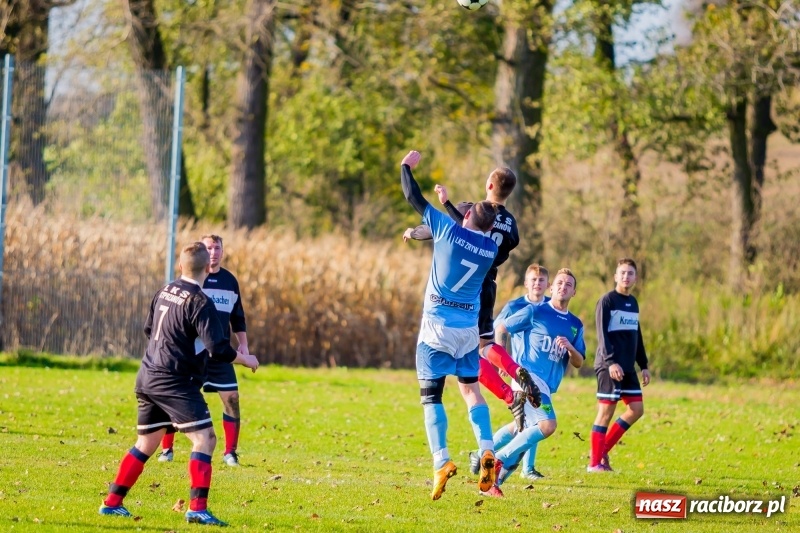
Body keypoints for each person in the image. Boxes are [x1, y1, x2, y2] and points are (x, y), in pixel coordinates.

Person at [98, 242, 260, 526]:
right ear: (206, 267)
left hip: (148, 375)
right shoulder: (199, 302)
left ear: (180, 266)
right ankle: (197, 508)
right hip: (175, 381)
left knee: (147, 442)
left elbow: (149, 329)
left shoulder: (165, 290)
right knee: (205, 439)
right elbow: (218, 349)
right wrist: (246, 360)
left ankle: (112, 503)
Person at [403, 170, 540, 432]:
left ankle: (510, 397)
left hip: (466, 291)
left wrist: (416, 229)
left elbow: (443, 230)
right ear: (509, 192)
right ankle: (515, 370)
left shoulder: (472, 211)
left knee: (471, 355)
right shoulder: (511, 225)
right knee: (486, 344)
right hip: (489, 284)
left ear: (488, 184)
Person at [400, 149, 500, 500]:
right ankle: (487, 449)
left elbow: (413, 196)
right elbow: (473, 225)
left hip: (437, 328)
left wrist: (406, 167)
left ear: (467, 214)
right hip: (468, 332)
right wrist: (453, 207)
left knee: (431, 396)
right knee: (471, 389)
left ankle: (441, 461)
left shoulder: (445, 230)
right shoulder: (489, 248)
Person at [484, 268, 586, 497]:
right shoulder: (535, 311)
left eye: (568, 285)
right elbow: (501, 328)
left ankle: (491, 482)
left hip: (546, 385)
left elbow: (579, 361)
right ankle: (496, 459)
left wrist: (570, 348)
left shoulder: (575, 325)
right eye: (559, 283)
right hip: (527, 378)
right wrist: (503, 363)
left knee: (523, 430)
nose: (563, 287)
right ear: (552, 288)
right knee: (547, 425)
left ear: (574, 292)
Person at [158, 234, 249, 467]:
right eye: (209, 247)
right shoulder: (193, 279)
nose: (213, 252)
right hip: (193, 354)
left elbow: (238, 317)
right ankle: (166, 449)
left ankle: (230, 452)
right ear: (201, 251)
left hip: (220, 354)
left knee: (233, 398)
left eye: (217, 247)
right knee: (176, 398)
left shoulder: (230, 281)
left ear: (223, 251)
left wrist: (244, 347)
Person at [471, 264, 550, 481]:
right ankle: (525, 468)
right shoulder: (516, 305)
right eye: (533, 279)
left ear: (547, 284)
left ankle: (481, 454)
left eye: (541, 280)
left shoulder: (548, 309)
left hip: (540, 376)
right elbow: (496, 331)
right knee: (535, 422)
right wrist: (501, 363)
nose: (537, 283)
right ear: (526, 283)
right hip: (520, 373)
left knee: (523, 425)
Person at [588, 258, 651, 472]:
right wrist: (611, 362)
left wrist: (643, 364)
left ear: (635, 277)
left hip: (628, 367)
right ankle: (594, 463)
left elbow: (637, 335)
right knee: (606, 412)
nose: (626, 276)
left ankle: (602, 449)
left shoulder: (633, 302)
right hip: (610, 366)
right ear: (616, 276)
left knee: (636, 409)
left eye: (630, 273)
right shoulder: (607, 301)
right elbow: (602, 334)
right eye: (622, 273)